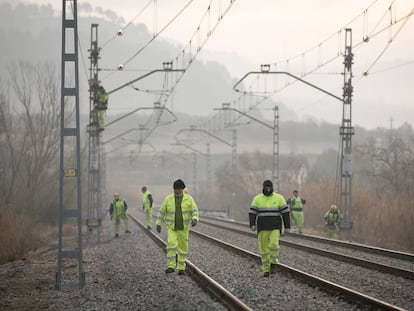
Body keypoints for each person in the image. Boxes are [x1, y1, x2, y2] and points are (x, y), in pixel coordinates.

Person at [155, 179, 199, 275]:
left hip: (183, 228)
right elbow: (162, 211)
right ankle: (170, 266)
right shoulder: (168, 199)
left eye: (179, 189)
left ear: (182, 189)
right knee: (171, 244)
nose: (177, 191)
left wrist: (195, 219)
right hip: (172, 228)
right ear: (173, 189)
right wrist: (158, 223)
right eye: (176, 189)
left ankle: (181, 267)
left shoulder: (189, 199)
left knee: (183, 248)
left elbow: (194, 210)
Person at [249, 180, 291, 277]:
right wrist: (252, 224)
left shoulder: (279, 198)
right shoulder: (257, 199)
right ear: (263, 188)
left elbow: (285, 213)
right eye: (266, 188)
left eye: (270, 188)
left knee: (274, 245)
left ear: (272, 188)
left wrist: (287, 226)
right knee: (264, 250)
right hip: (262, 228)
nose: (268, 190)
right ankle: (266, 270)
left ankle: (273, 264)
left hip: (275, 227)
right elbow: (252, 213)